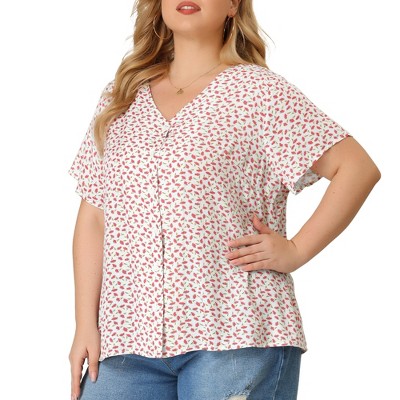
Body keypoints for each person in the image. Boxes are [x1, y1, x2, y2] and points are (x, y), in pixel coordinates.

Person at [67, 1, 381, 399]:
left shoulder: (259, 92)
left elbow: (356, 168)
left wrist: (297, 250)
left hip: (236, 335)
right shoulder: (121, 97)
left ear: (233, 5)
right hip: (127, 339)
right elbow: (95, 216)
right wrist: (84, 324)